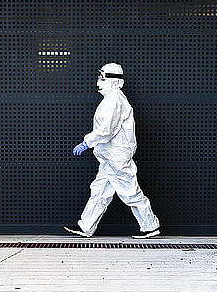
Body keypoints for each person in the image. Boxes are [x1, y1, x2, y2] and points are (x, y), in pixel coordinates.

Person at [64, 63, 161, 239]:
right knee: (99, 192)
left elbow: (107, 130)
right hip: (109, 157)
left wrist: (87, 142)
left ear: (111, 79)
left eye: (101, 76)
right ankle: (85, 227)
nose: (98, 80)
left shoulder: (114, 99)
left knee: (130, 192)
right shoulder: (111, 98)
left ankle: (150, 226)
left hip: (117, 156)